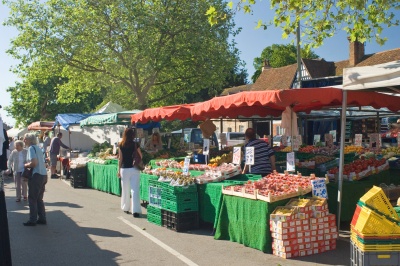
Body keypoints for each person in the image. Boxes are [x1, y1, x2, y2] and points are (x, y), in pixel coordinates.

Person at [23, 133, 48, 226]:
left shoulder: (31, 148)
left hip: (36, 175)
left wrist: (26, 165)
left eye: (25, 139)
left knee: (32, 198)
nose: (24, 141)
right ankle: (42, 218)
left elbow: (34, 163)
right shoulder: (37, 148)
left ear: (29, 140)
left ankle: (32, 219)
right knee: (39, 198)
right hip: (43, 175)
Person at [117, 128, 142, 218]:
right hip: (134, 168)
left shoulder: (121, 144)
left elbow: (120, 158)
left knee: (125, 189)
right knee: (135, 190)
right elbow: (140, 155)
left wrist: (118, 170)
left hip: (124, 169)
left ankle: (125, 207)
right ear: (133, 135)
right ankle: (135, 210)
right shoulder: (135, 144)